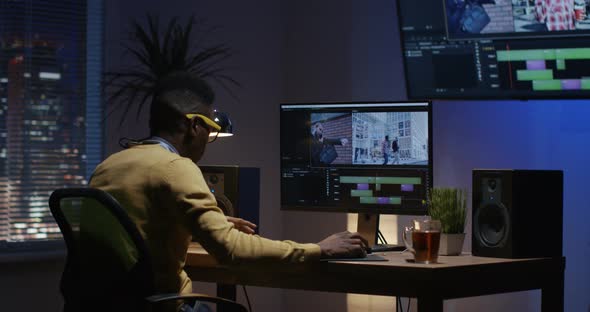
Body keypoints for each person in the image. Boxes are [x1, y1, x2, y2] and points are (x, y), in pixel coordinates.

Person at [89, 71, 367, 311]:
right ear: (193, 125)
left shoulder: (109, 165)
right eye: (210, 130)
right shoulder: (177, 167)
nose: (208, 141)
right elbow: (232, 251)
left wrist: (202, 224)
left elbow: (136, 228)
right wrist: (318, 248)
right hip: (161, 306)